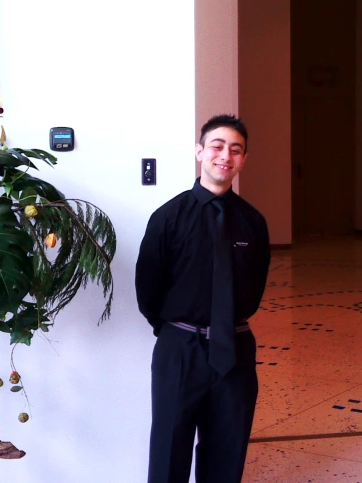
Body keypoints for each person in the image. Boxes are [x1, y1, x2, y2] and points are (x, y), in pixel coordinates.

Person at [135, 114, 270, 483]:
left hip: (236, 348)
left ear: (243, 160)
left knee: (227, 451)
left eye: (236, 149)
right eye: (217, 146)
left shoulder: (253, 222)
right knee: (169, 449)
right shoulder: (168, 218)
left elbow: (255, 286)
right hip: (180, 348)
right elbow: (147, 288)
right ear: (200, 152)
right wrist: (177, 329)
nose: (225, 155)